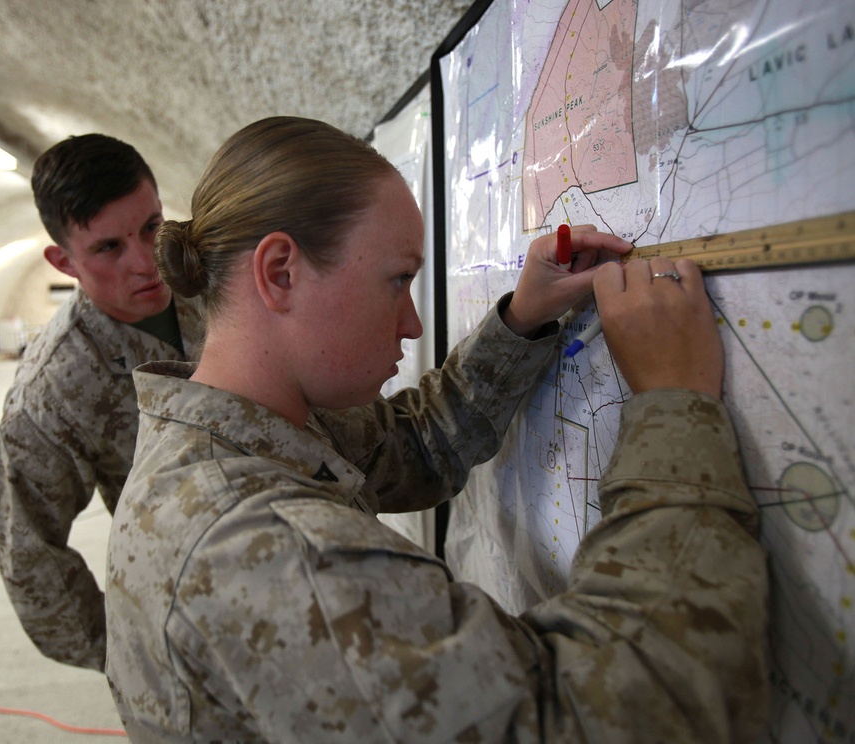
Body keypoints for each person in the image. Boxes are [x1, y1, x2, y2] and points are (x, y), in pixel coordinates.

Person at [105, 117, 769, 741]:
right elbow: (601, 713)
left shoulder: (227, 436)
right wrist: (675, 402)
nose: (412, 324)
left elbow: (413, 444)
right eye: (397, 281)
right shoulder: (273, 553)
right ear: (281, 273)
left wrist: (523, 319)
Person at [0, 134, 206, 672]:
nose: (146, 261)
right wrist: (131, 654)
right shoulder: (54, 388)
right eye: (109, 247)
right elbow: (27, 550)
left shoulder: (214, 274)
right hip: (194, 599)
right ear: (63, 261)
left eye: (152, 227)